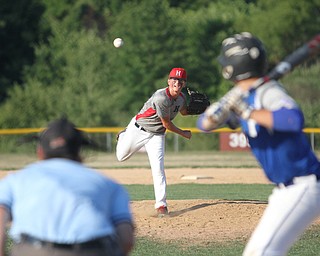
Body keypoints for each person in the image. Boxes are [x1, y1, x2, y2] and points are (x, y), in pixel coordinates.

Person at [197, 32, 320, 255]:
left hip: (304, 184)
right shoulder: (241, 95)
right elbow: (203, 125)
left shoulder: (268, 92)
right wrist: (215, 113)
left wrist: (247, 111)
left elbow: (293, 119)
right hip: (285, 190)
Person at [0, 117, 135, 256]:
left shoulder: (16, 179)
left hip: (34, 250)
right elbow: (126, 239)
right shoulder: (109, 184)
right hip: (93, 250)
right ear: (79, 152)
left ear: (40, 152)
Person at [116, 67, 192, 217]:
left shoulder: (182, 98)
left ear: (184, 83)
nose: (177, 82)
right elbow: (167, 124)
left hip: (157, 135)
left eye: (180, 80)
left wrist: (197, 109)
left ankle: (161, 205)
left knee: (158, 169)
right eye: (174, 79)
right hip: (139, 129)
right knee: (121, 157)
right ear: (169, 81)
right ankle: (124, 134)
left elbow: (183, 111)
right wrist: (183, 133)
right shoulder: (161, 98)